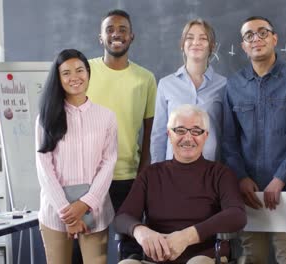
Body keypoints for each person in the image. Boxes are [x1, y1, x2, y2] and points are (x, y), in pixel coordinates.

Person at [223, 16, 286, 263]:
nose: (256, 39)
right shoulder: (233, 86)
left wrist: (280, 178)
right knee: (253, 256)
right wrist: (241, 178)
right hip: (249, 192)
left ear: (274, 38)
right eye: (249, 35)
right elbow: (229, 140)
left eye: (262, 32)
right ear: (243, 46)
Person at [115, 104, 247, 264]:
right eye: (180, 130)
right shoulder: (151, 174)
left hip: (206, 258)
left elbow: (237, 215)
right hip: (156, 260)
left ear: (205, 136)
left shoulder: (220, 174)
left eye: (196, 131)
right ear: (169, 134)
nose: (188, 138)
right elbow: (122, 217)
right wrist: (141, 231)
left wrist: (186, 237)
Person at [86, 9, 157, 259]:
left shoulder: (146, 78)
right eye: (110, 29)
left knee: (132, 245)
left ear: (132, 36)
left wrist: (144, 170)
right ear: (100, 37)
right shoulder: (84, 72)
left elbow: (150, 130)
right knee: (88, 245)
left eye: (122, 29)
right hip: (88, 176)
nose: (116, 34)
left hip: (127, 175)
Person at [35, 49, 117, 264]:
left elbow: (108, 163)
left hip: (95, 209)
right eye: (66, 73)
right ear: (58, 78)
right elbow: (44, 168)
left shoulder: (106, 117)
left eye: (80, 70)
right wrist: (67, 212)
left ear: (88, 73)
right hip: (55, 211)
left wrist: (85, 203)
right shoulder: (46, 118)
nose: (75, 77)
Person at [151, 18, 226, 163]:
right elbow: (158, 135)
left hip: (211, 169)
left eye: (203, 38)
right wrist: (156, 172)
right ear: (182, 45)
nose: (196, 43)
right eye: (189, 38)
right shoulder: (166, 84)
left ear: (212, 46)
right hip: (172, 170)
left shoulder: (224, 85)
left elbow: (227, 135)